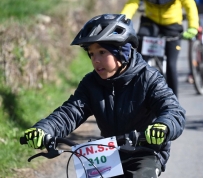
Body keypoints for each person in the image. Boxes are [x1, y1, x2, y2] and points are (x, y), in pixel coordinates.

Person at [21, 14, 186, 178]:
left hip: (145, 153)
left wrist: (163, 126)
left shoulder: (149, 78)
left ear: (123, 52)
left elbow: (173, 110)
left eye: (101, 52)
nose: (95, 60)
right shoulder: (91, 83)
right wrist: (43, 129)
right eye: (91, 54)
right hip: (109, 152)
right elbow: (69, 112)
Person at [120, 0, 199, 97]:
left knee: (171, 65)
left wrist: (193, 26)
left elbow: (189, 4)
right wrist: (120, 23)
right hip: (151, 23)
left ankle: (174, 103)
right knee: (140, 60)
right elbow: (132, 4)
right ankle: (138, 95)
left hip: (172, 24)